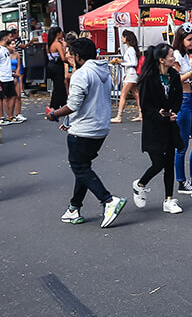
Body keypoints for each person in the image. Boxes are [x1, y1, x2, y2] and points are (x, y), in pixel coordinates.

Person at [46, 38, 126, 227]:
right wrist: (69, 121)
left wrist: (54, 114)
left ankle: (108, 200)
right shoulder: (103, 70)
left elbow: (73, 105)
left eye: (70, 54)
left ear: (78, 57)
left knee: (80, 168)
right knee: (83, 168)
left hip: (84, 130)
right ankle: (74, 208)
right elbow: (89, 102)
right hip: (99, 128)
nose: (68, 57)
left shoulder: (82, 74)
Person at [132, 43, 185, 214]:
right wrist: (159, 113)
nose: (174, 58)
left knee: (170, 163)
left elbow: (178, 99)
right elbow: (145, 106)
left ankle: (169, 199)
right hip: (153, 128)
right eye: (171, 55)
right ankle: (140, 184)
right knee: (158, 163)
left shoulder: (174, 76)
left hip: (170, 126)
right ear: (161, 59)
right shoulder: (149, 78)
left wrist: (174, 112)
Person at [171, 25, 192, 193]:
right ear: (181, 39)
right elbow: (176, 79)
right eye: (189, 39)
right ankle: (181, 181)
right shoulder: (176, 55)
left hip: (189, 99)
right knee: (182, 145)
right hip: (183, 100)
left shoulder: (185, 55)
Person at [112, 31, 142, 123]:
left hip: (131, 74)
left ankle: (119, 116)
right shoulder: (131, 49)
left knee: (123, 94)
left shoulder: (130, 50)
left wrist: (122, 63)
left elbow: (134, 63)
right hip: (131, 74)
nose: (122, 39)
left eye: (123, 37)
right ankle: (141, 114)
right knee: (136, 94)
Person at [46, 27, 69, 121]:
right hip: (58, 66)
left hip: (50, 66)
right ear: (58, 33)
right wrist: (64, 46)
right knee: (59, 86)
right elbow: (63, 58)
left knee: (57, 85)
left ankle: (60, 105)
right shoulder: (58, 44)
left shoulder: (48, 45)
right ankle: (54, 106)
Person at [0, 31, 19, 125]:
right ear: (4, 38)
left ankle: (10, 116)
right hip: (1, 78)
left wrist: (12, 73)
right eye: (9, 37)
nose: (11, 38)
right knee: (1, 98)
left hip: (9, 77)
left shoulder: (5, 49)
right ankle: (1, 117)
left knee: (12, 95)